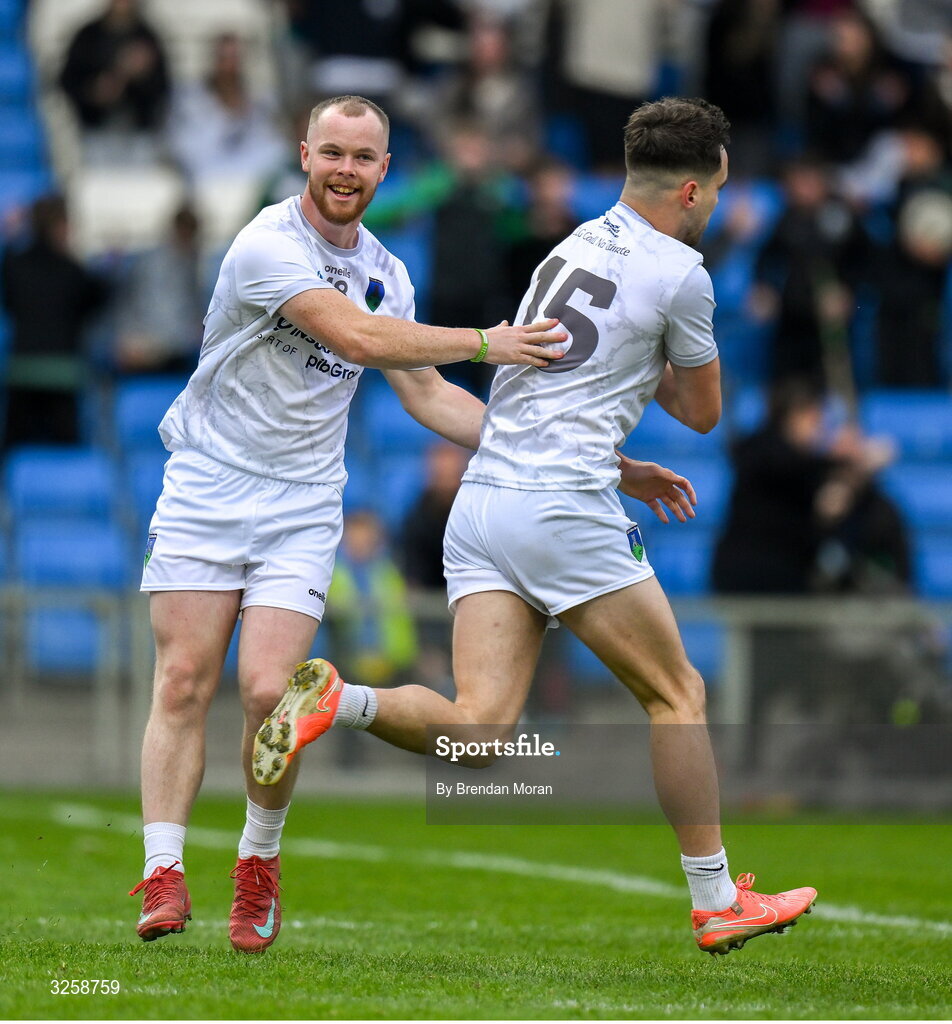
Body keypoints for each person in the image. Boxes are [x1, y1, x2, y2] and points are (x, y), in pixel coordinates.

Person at [255, 96, 819, 956]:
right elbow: (703, 412)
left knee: (479, 731)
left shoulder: (573, 243)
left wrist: (646, 360)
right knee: (678, 694)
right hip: (563, 502)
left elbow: (582, 355)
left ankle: (343, 698)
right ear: (698, 193)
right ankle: (714, 897)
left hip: (483, 500)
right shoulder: (684, 272)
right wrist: (678, 342)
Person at [129, 94, 567, 953]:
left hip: (300, 502)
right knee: (183, 680)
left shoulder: (389, 272)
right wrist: (487, 339)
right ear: (303, 155)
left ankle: (259, 862)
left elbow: (429, 395)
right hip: (207, 485)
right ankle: (163, 871)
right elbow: (358, 340)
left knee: (267, 691)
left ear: (385, 171)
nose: (346, 170)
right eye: (332, 152)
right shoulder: (265, 245)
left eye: (363, 158)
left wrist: (568, 457)